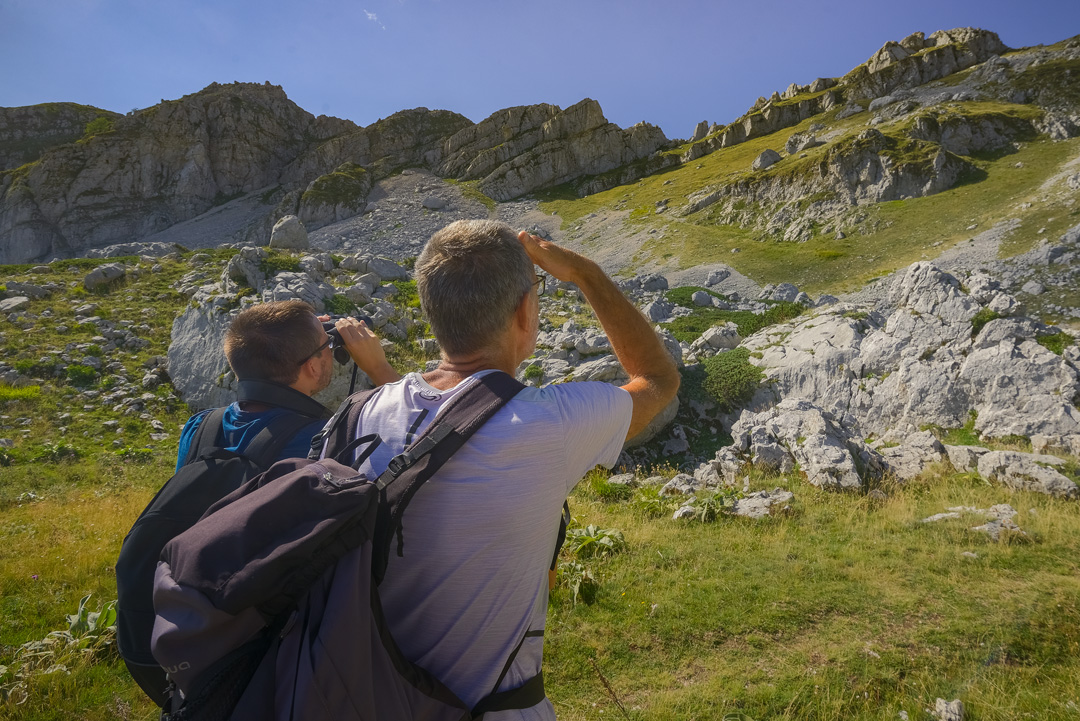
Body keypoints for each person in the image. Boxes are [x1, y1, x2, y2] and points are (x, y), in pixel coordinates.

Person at [335, 219, 680, 719]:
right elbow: (656, 378)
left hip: (362, 700)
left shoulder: (359, 413)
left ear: (432, 311)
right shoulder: (549, 423)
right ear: (525, 312)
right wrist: (585, 274)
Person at [174, 299, 393, 469]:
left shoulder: (200, 427)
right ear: (313, 368)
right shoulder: (326, 443)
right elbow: (423, 434)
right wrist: (378, 368)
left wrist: (305, 332)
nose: (330, 350)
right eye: (327, 345)